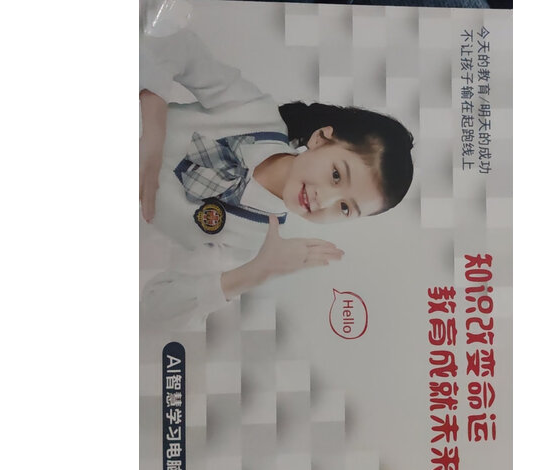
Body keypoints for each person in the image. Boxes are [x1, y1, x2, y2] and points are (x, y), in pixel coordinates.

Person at [139, 28, 414, 326]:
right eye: (336, 175)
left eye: (345, 208)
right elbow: (171, 41)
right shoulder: (256, 113)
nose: (324, 200)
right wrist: (153, 135)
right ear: (321, 138)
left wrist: (255, 273)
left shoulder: (254, 245)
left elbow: (151, 308)